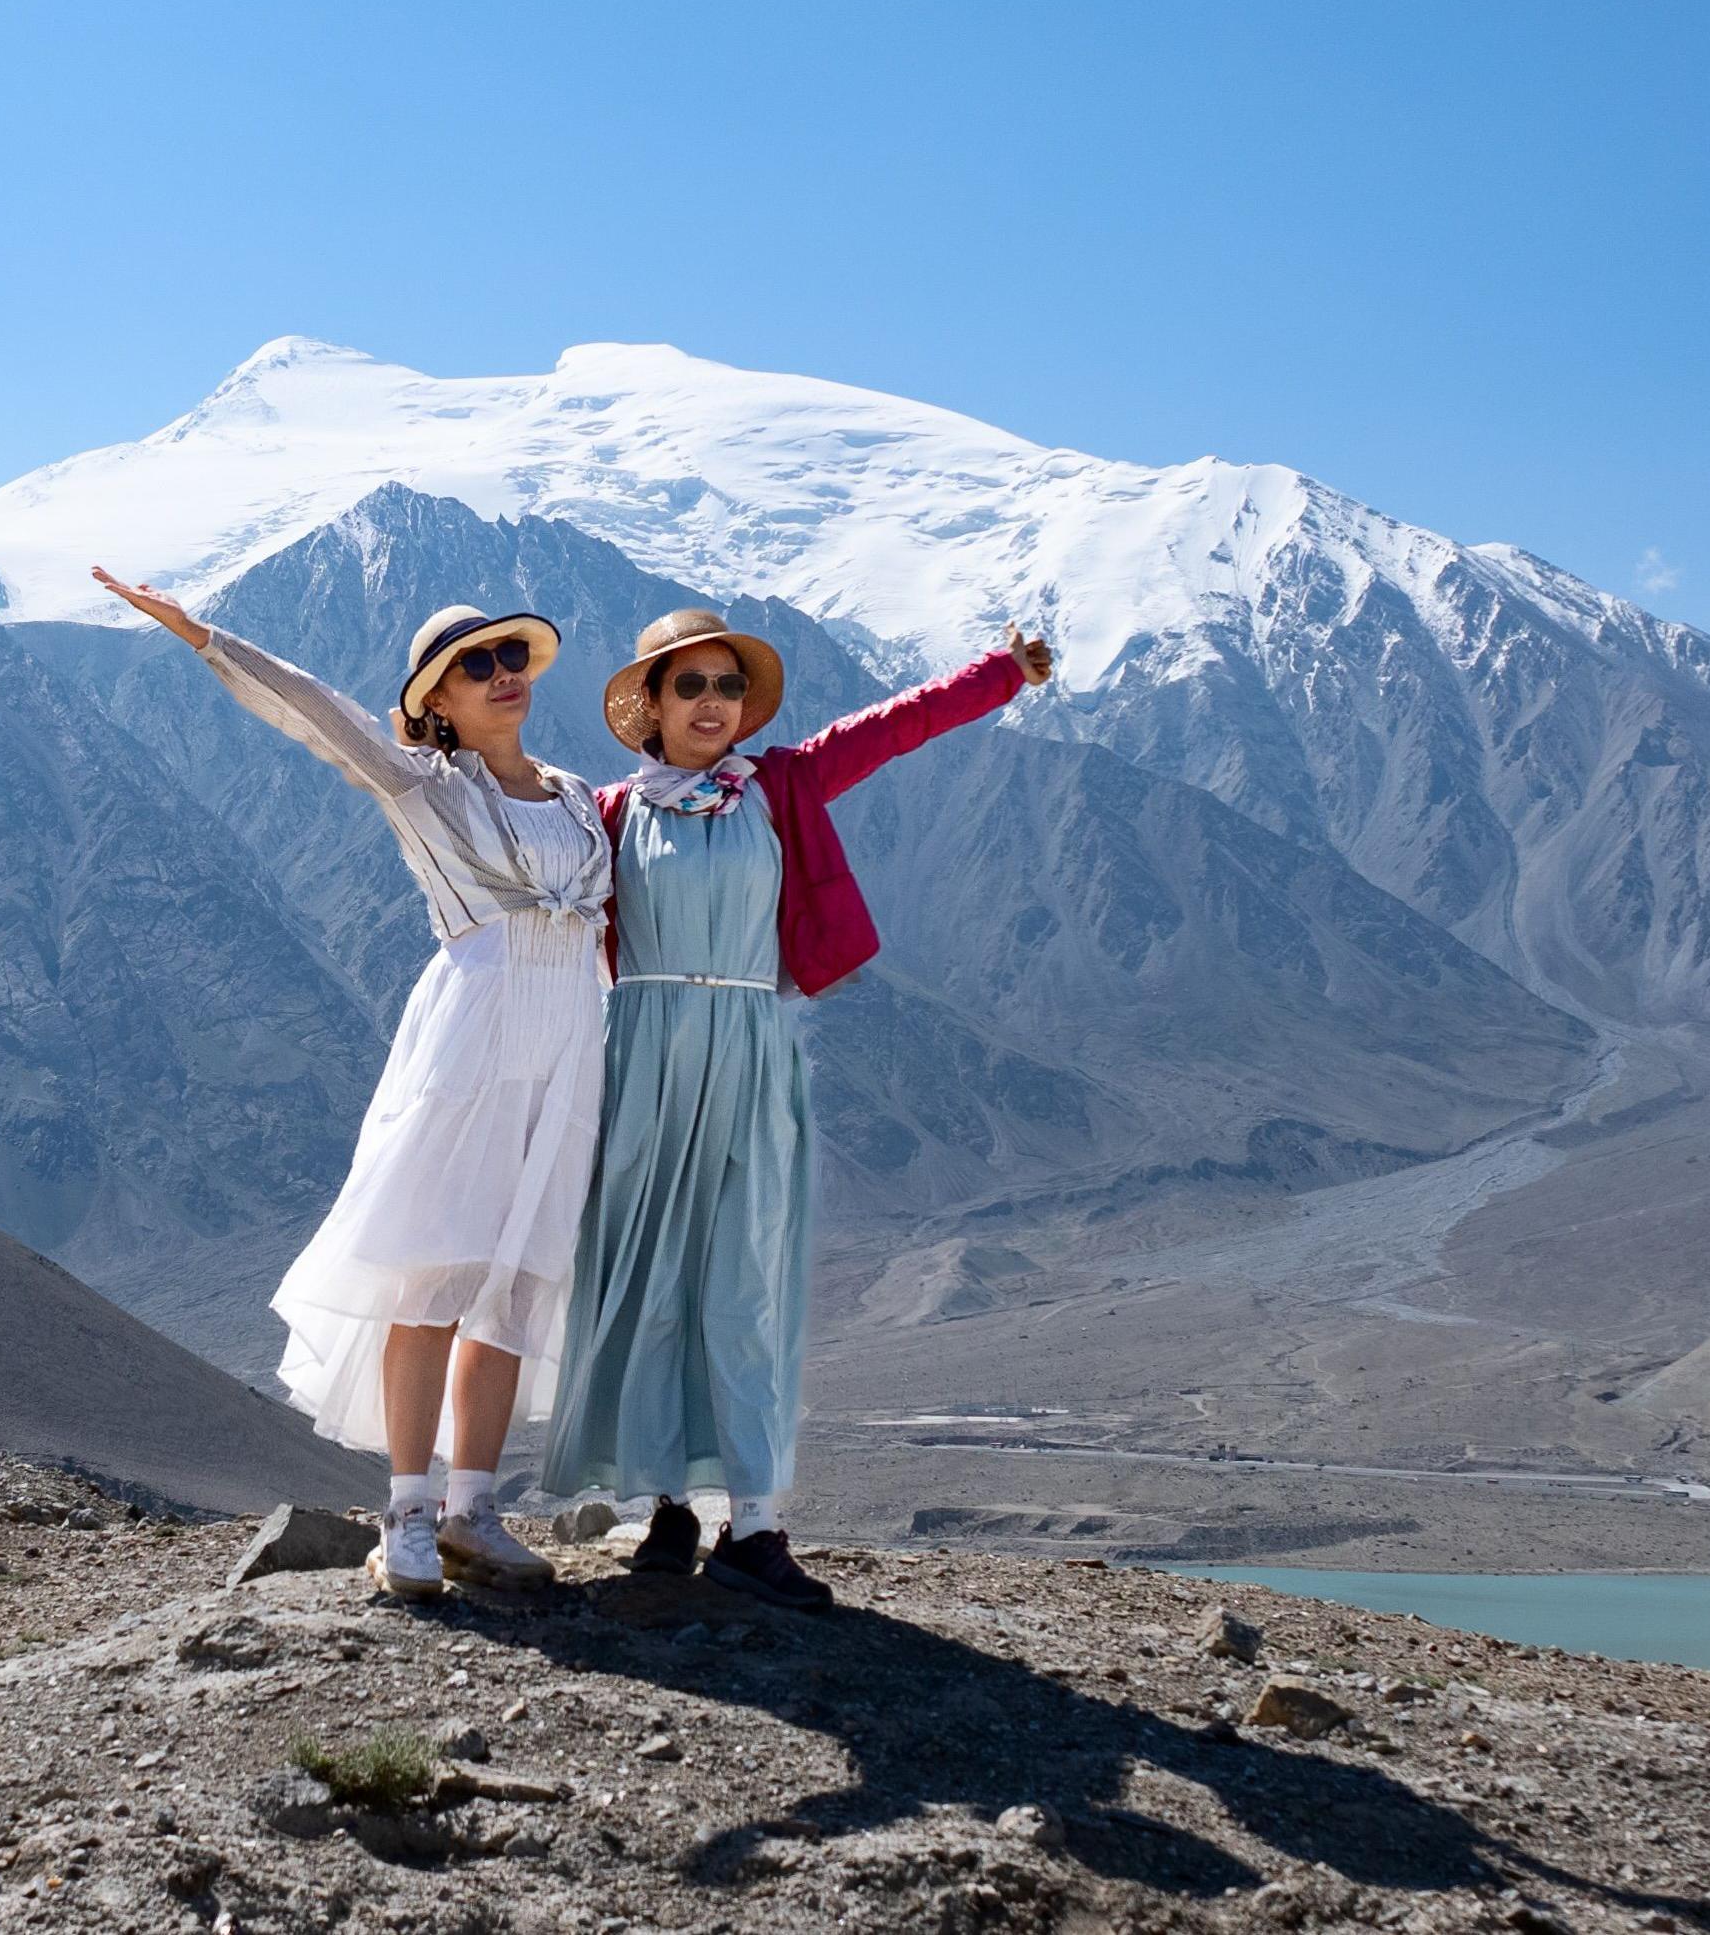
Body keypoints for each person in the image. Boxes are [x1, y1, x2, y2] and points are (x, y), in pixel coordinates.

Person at [90, 566, 611, 1601]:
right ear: (436, 703)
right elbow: (316, 714)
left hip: (569, 1054)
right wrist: (206, 639)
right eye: (475, 665)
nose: (503, 673)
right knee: (431, 1278)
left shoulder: (580, 802)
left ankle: (473, 1510)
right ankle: (407, 1512)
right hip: (471, 1044)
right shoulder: (425, 788)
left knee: (513, 1285)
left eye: (512, 655)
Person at [544, 607, 1054, 1608]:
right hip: (639, 1052)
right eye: (688, 685)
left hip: (746, 1048)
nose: (711, 703)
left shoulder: (778, 786)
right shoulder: (603, 812)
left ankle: (757, 1524)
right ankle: (666, 1510)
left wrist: (1001, 675)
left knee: (743, 1285)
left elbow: (892, 728)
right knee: (649, 1280)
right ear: (648, 703)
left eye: (726, 686)